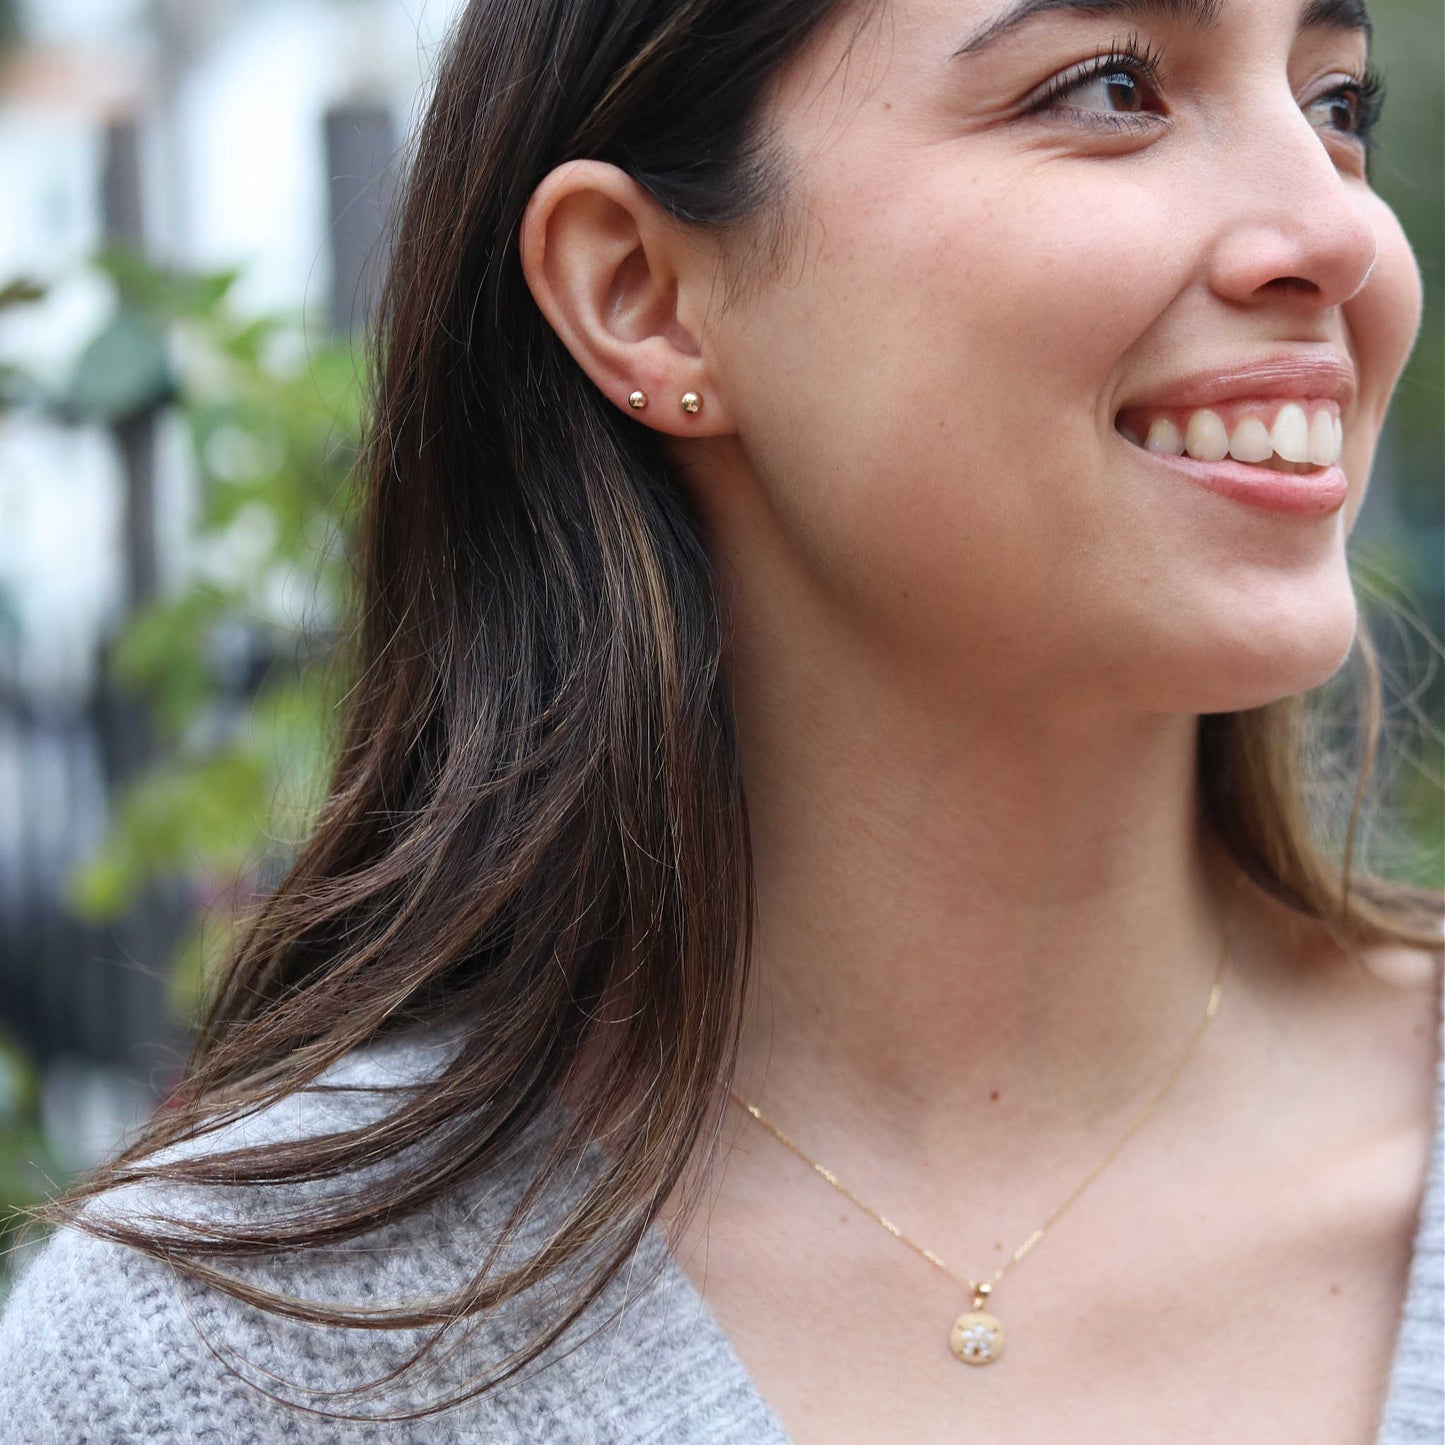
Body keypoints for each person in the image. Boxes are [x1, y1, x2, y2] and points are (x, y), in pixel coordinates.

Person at [1, 0, 1442, 1438]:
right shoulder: (223, 1366)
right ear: (640, 291)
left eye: (1335, 105)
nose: (1334, 234)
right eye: (1107, 86)